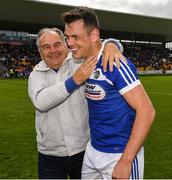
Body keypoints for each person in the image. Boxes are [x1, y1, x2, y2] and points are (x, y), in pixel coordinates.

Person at [62, 6, 156, 179]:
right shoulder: (83, 62)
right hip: (93, 150)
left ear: (94, 35)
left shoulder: (115, 64)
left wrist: (126, 161)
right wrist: (113, 42)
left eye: (75, 37)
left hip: (119, 154)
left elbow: (147, 111)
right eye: (67, 37)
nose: (69, 43)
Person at [28, 27, 124, 179]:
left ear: (66, 44)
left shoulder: (80, 61)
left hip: (83, 150)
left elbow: (98, 47)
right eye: (46, 47)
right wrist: (74, 80)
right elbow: (41, 102)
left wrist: (112, 44)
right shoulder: (36, 75)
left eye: (57, 44)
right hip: (49, 155)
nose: (53, 50)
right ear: (40, 52)